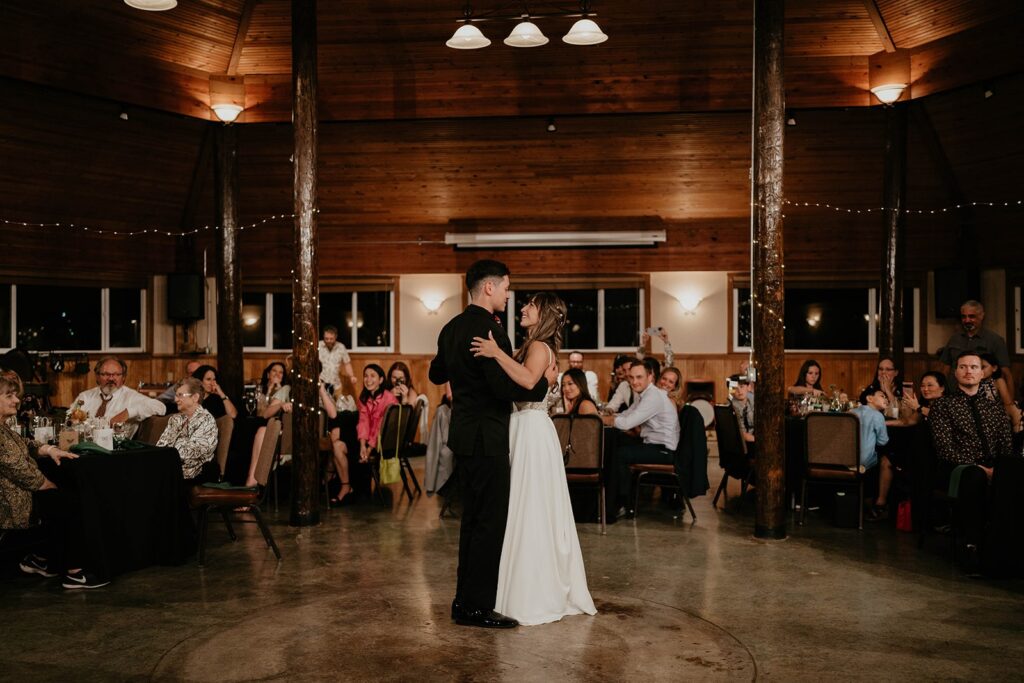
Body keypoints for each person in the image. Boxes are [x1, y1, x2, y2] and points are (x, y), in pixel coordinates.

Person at [429, 259, 553, 630]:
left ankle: (462, 600)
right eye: (505, 287)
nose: (507, 294)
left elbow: (437, 373)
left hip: (463, 435)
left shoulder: (452, 327)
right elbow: (503, 389)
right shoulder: (489, 331)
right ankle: (478, 607)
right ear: (489, 287)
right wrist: (541, 383)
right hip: (488, 437)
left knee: (471, 520)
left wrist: (460, 369)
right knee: (489, 523)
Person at [470, 291, 596, 626]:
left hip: (531, 430)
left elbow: (527, 381)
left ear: (544, 315)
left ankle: (533, 592)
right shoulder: (530, 347)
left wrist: (496, 352)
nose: (523, 308)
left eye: (531, 305)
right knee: (520, 508)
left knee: (530, 508)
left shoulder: (540, 348)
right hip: (522, 427)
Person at [0, 371, 95, 588]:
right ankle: (75, 572)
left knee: (60, 496)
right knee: (67, 501)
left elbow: (24, 444)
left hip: (14, 492)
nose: (17, 400)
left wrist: (49, 449)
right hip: (9, 503)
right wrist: (46, 484)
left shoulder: (4, 427)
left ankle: (43, 558)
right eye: (9, 396)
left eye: (16, 395)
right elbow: (18, 468)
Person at [928, 351, 1014, 568]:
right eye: (963, 367)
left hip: (994, 468)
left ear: (982, 373)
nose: (969, 371)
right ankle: (972, 546)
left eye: (974, 367)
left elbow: (1006, 447)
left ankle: (1007, 547)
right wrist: (980, 468)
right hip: (958, 468)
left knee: (1015, 475)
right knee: (974, 475)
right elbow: (945, 449)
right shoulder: (942, 405)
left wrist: (999, 469)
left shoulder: (995, 409)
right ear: (955, 372)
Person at [602, 360, 680, 519]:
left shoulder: (653, 396)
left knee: (620, 454)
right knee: (616, 444)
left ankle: (624, 503)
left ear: (650, 377)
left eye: (639, 377)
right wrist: (606, 417)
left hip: (664, 449)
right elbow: (626, 414)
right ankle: (611, 499)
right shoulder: (643, 394)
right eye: (631, 377)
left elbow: (627, 423)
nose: (634, 381)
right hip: (652, 444)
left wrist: (604, 419)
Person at [71, 357, 166, 438]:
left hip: (116, 454)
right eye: (106, 374)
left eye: (116, 374)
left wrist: (128, 413)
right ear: (97, 376)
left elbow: (161, 407)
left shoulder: (131, 397)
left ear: (123, 377)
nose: (111, 378)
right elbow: (70, 421)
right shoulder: (85, 396)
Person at [939, 300, 1014, 401]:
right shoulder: (954, 339)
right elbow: (944, 370)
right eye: (963, 316)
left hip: (983, 399)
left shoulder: (995, 340)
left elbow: (1006, 374)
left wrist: (1010, 403)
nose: (967, 320)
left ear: (982, 316)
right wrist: (940, 398)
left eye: (971, 316)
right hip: (954, 396)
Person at [156, 377, 219, 486]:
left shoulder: (206, 420)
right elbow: (161, 446)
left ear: (195, 397)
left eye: (180, 395)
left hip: (196, 474)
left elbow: (192, 453)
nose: (176, 400)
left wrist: (173, 448)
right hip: (171, 471)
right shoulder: (175, 419)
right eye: (176, 395)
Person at [851, 387, 893, 521]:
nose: (886, 399)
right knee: (884, 460)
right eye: (882, 396)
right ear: (869, 399)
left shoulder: (851, 412)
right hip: (864, 462)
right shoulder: (877, 415)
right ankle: (877, 503)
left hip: (847, 459)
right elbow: (882, 441)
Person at [978, 353, 1021, 433]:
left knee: (1014, 408)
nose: (980, 370)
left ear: (994, 368)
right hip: (980, 411)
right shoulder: (974, 382)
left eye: (983, 367)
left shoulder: (998, 382)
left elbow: (1007, 402)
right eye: (977, 367)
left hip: (995, 410)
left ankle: (1018, 436)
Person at [864, 356, 906, 420]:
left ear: (896, 373)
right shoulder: (871, 389)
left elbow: (899, 413)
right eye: (880, 369)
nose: (883, 372)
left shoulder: (903, 389)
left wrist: (888, 390)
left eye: (888, 369)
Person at [319, 325, 357, 393]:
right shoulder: (318, 346)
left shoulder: (341, 347)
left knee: (337, 403)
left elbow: (347, 363)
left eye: (331, 338)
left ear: (336, 337)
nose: (328, 341)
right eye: (326, 338)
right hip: (321, 383)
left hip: (336, 385)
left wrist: (352, 376)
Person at [729, 374, 755, 454]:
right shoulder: (732, 407)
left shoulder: (751, 403)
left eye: (742, 386)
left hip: (751, 437)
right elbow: (741, 434)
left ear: (748, 387)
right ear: (731, 390)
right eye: (735, 388)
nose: (739, 391)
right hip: (742, 444)